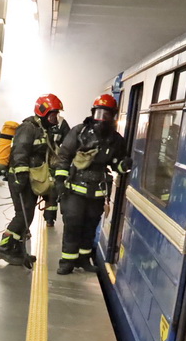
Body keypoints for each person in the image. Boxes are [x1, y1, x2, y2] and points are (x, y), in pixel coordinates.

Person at [53, 93, 131, 275]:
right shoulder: (79, 132)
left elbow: (116, 165)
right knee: (73, 224)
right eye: (99, 113)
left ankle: (83, 259)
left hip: (97, 193)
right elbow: (64, 156)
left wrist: (124, 165)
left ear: (113, 116)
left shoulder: (116, 140)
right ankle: (67, 262)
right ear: (93, 113)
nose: (102, 119)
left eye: (106, 114)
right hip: (75, 190)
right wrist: (60, 180)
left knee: (90, 226)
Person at [0, 94, 70, 267]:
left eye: (56, 115)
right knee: (22, 214)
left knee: (28, 214)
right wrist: (20, 177)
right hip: (20, 178)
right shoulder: (28, 128)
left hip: (32, 179)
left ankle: (18, 250)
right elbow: (20, 152)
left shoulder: (44, 130)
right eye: (52, 114)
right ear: (43, 112)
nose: (55, 118)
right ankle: (4, 247)